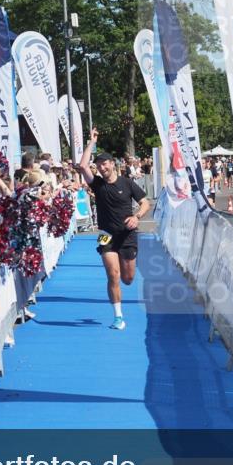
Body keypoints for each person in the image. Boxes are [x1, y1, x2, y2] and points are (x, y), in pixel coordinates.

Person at [78, 128, 150, 330]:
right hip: (106, 235)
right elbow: (83, 166)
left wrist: (136, 217)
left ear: (112, 164)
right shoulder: (98, 185)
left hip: (127, 235)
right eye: (99, 164)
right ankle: (118, 317)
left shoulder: (127, 183)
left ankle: (121, 300)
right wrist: (91, 142)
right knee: (113, 275)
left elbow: (145, 203)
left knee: (128, 278)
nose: (102, 167)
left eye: (105, 163)